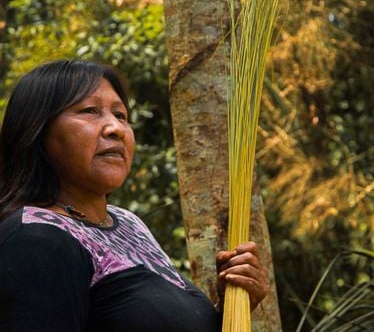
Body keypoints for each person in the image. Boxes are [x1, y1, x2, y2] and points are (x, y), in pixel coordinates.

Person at [0, 60, 268, 331]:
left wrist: (234, 306)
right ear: (37, 129)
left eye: (120, 115)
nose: (115, 128)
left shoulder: (126, 223)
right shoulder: (36, 238)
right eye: (90, 111)